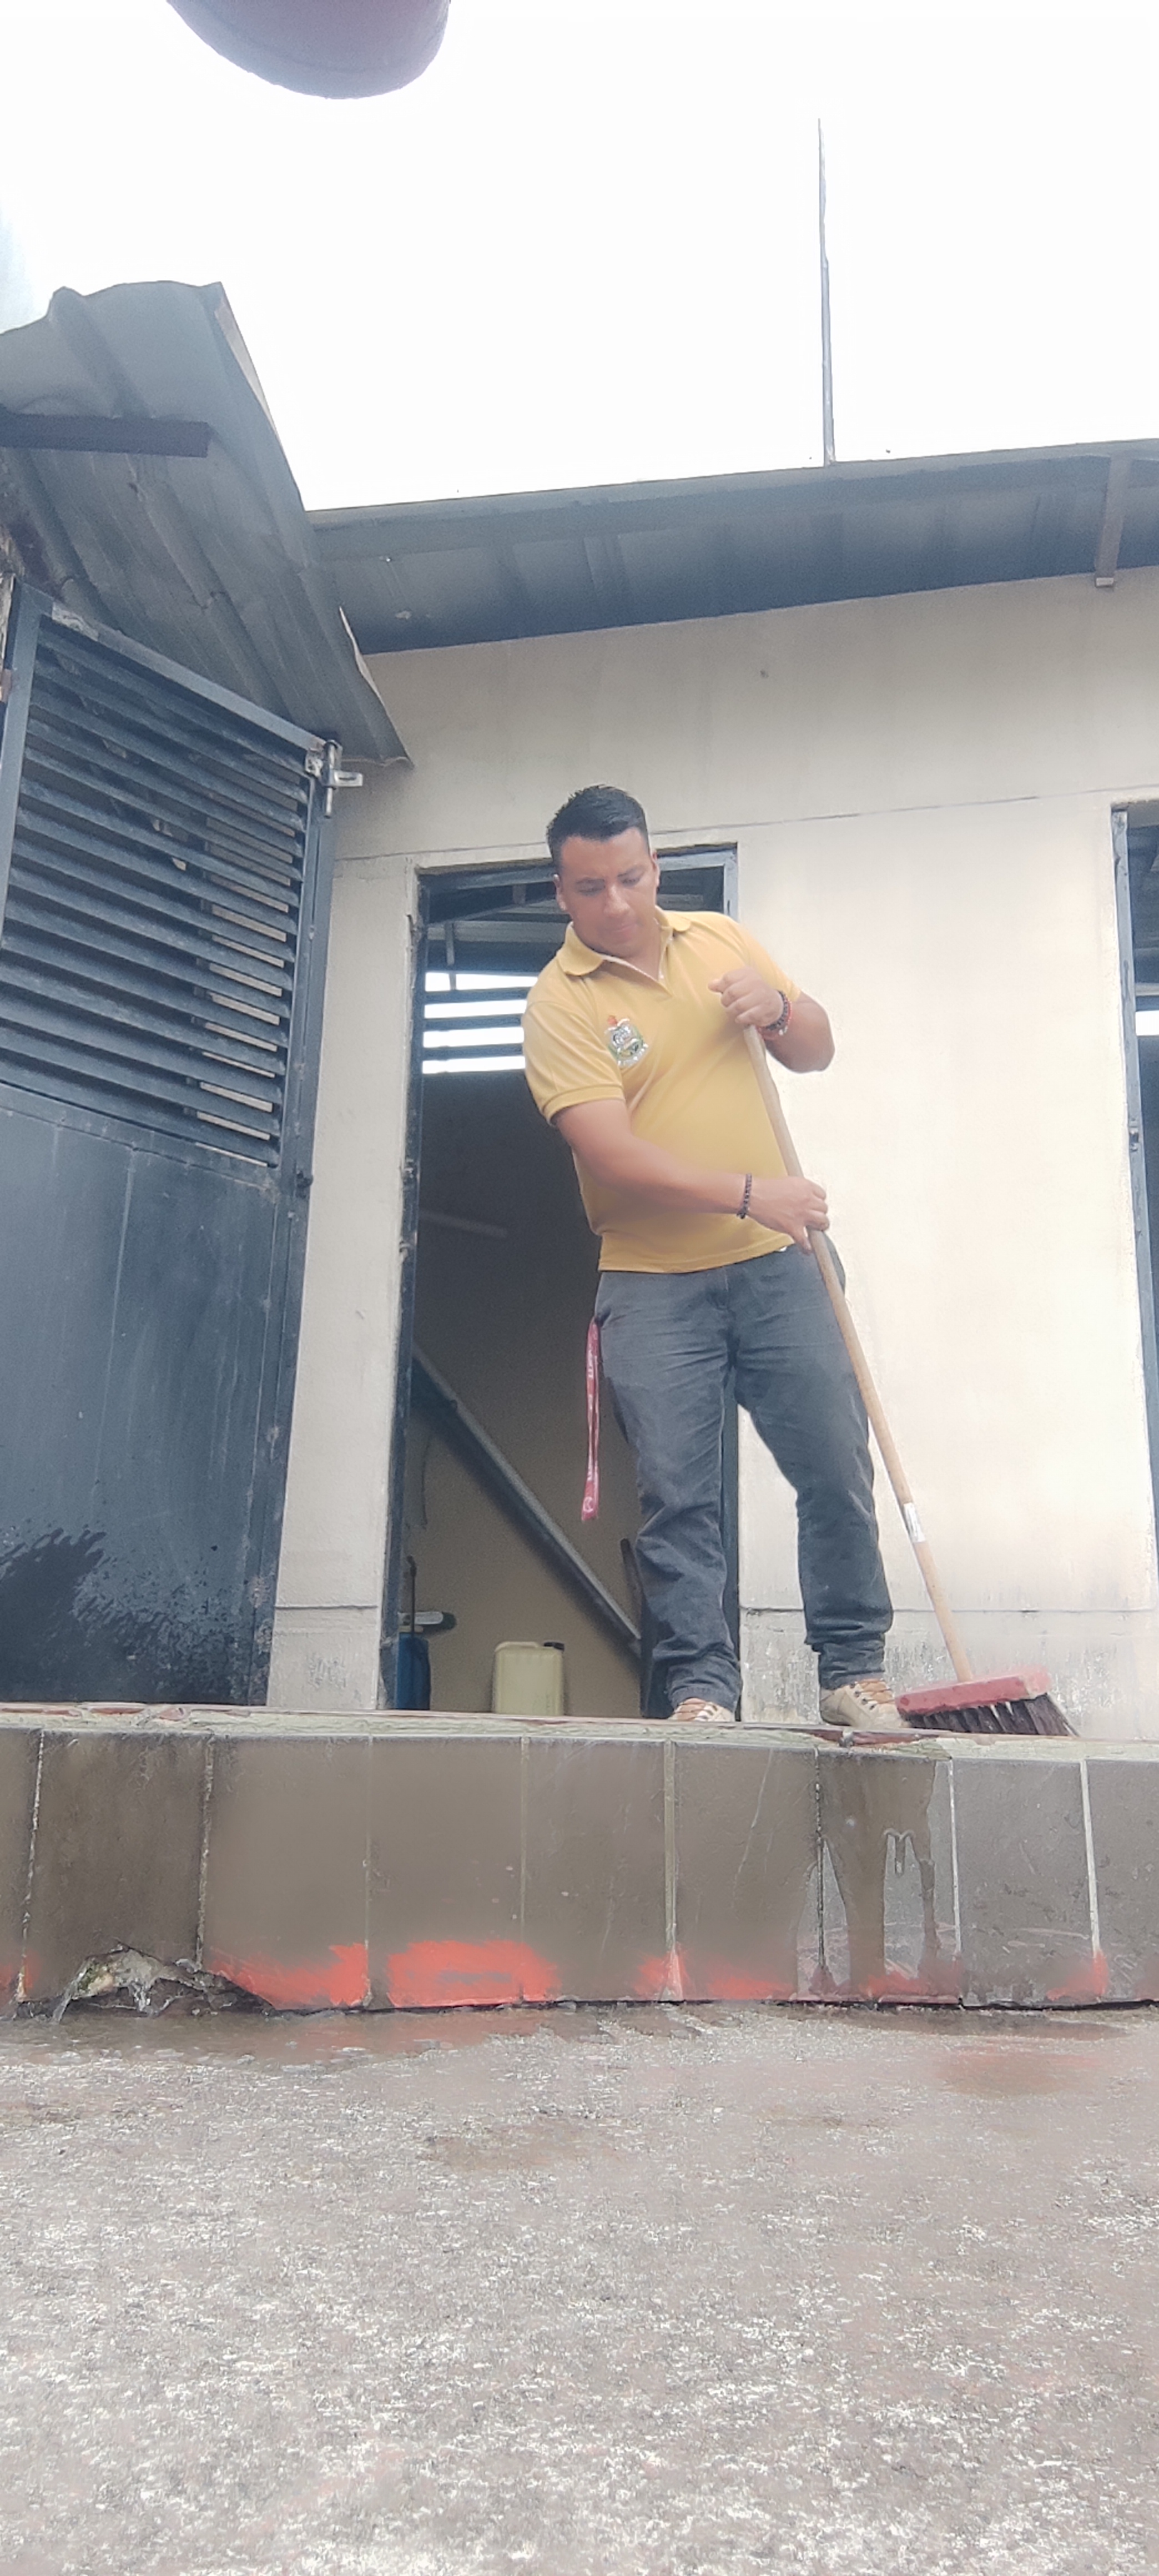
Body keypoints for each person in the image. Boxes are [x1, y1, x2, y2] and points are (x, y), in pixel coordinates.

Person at [522, 782, 903, 1733]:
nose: (616, 903)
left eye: (630, 877)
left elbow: (815, 1049)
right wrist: (751, 1192)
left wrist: (778, 1007)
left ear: (654, 867)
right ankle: (701, 1691)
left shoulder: (719, 941)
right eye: (590, 887)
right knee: (679, 1501)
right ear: (561, 892)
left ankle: (852, 1673)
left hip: (782, 1268)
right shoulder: (558, 1003)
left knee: (836, 1469)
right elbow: (613, 1155)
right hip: (652, 1286)